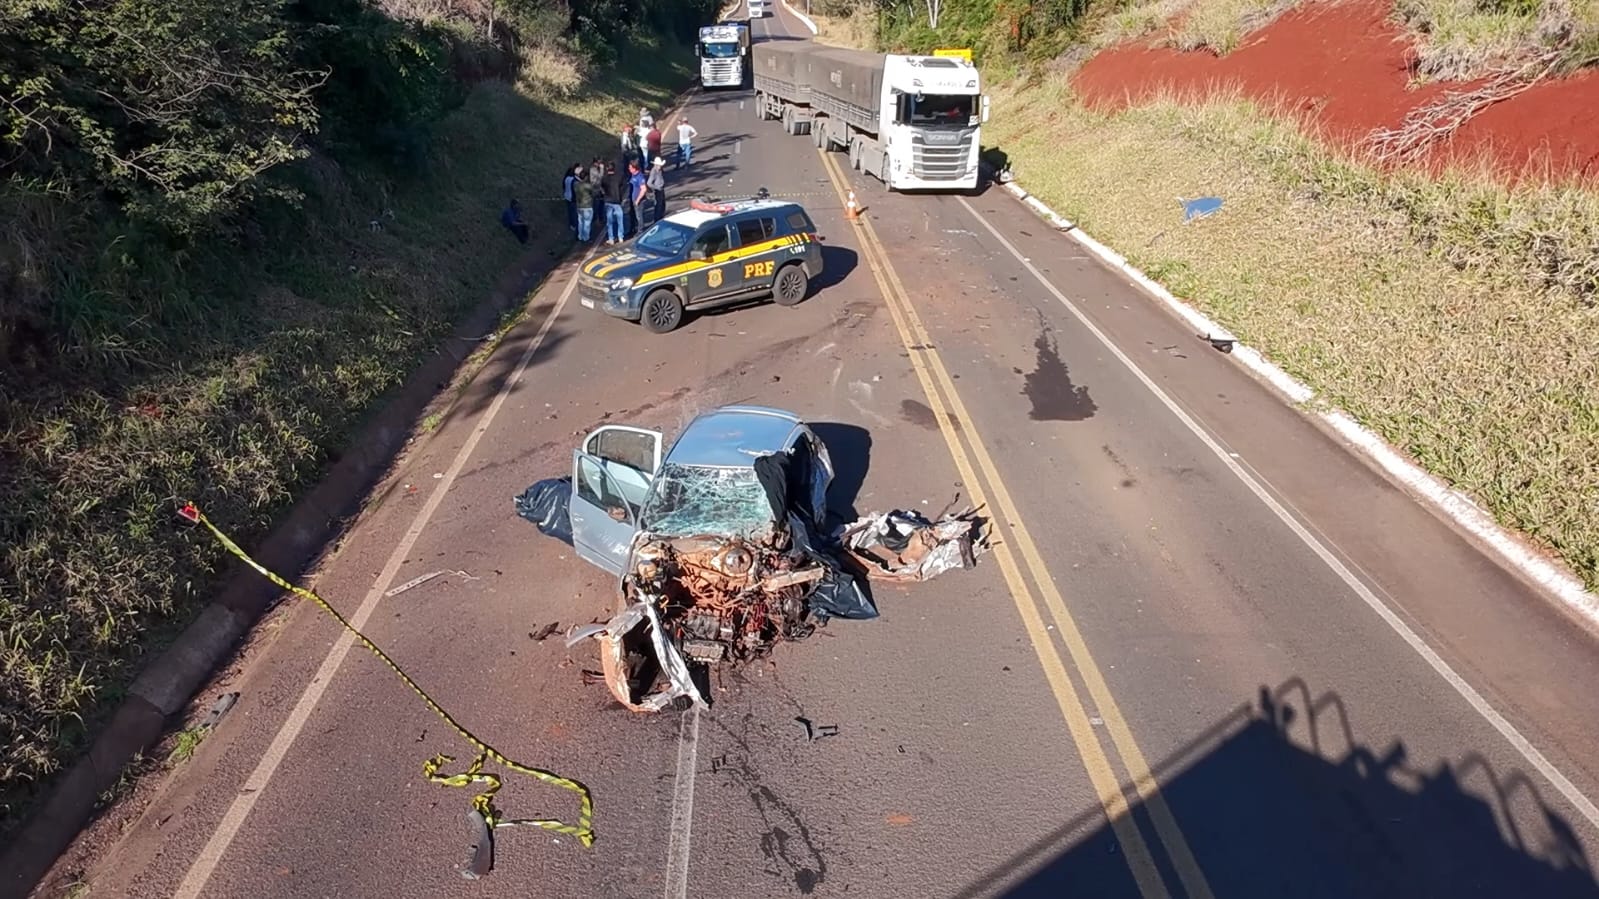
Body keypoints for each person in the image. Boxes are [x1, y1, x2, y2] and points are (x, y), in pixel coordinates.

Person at [600, 162, 627, 245]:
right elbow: (623, 187)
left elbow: (602, 189)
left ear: (607, 169)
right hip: (617, 200)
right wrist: (621, 197)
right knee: (620, 220)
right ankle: (620, 237)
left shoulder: (604, 178)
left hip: (608, 201)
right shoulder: (619, 177)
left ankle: (611, 238)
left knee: (609, 221)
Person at [573, 165, 595, 242]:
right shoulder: (588, 186)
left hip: (579, 206)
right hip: (588, 206)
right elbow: (593, 193)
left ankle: (580, 236)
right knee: (587, 223)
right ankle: (586, 237)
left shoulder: (576, 185)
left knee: (580, 222)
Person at [561, 163, 581, 235]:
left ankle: (571, 225)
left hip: (567, 197)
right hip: (573, 198)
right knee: (574, 213)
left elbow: (563, 186)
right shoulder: (574, 180)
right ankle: (575, 225)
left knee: (570, 212)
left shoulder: (566, 178)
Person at [628, 160, 648, 231]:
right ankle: (634, 228)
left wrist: (638, 200)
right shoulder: (633, 175)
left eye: (630, 168)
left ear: (634, 168)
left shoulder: (640, 177)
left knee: (639, 216)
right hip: (633, 199)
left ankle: (640, 230)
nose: (629, 169)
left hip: (638, 200)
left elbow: (644, 189)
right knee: (635, 215)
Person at [647, 156, 667, 226]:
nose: (660, 167)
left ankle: (661, 219)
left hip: (661, 189)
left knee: (662, 205)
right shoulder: (653, 172)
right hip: (658, 191)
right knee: (658, 206)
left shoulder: (660, 170)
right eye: (659, 165)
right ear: (656, 165)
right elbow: (649, 183)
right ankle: (657, 222)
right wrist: (656, 187)